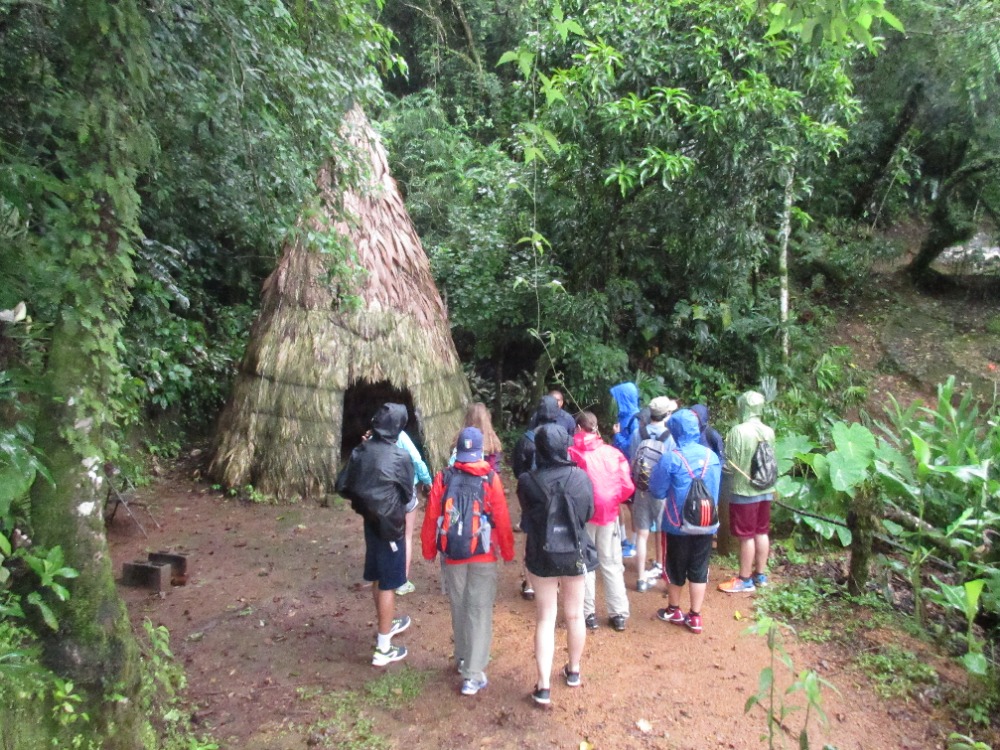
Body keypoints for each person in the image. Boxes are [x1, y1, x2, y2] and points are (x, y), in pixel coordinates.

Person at [422, 427, 515, 696]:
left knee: (459, 606)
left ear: (458, 450)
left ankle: (463, 657)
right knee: (479, 609)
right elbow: (502, 518)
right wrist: (507, 552)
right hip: (483, 554)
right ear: (480, 450)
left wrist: (429, 550)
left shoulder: (444, 477)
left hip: (453, 555)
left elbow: (431, 517)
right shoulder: (490, 478)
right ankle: (473, 675)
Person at [517, 424, 597, 707]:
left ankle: (543, 686)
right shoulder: (581, 477)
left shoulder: (527, 481)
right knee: (575, 615)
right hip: (574, 550)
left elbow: (528, 517)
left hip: (542, 553)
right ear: (565, 447)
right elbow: (588, 512)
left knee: (545, 617)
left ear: (538, 448)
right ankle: (573, 670)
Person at [336, 403, 415, 665]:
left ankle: (386, 623)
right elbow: (407, 494)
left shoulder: (361, 450)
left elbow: (344, 485)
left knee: (379, 578)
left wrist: (367, 503)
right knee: (389, 583)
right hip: (390, 528)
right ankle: (383, 648)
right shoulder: (400, 457)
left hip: (371, 523)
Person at [650, 408, 721, 634]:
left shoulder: (671, 458)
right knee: (699, 567)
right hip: (706, 522)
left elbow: (657, 491)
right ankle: (695, 616)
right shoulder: (712, 457)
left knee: (675, 566)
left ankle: (674, 609)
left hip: (677, 524)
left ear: (675, 431)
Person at [568, 411, 633, 631]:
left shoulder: (572, 453)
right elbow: (627, 487)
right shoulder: (612, 453)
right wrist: (612, 501)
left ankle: (588, 613)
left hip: (583, 515)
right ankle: (618, 613)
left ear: (578, 428)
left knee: (585, 562)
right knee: (611, 562)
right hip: (608, 514)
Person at [718, 391, 776, 593]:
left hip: (744, 491)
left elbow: (730, 466)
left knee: (746, 536)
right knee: (761, 532)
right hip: (766, 489)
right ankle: (760, 575)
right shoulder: (769, 431)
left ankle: (744, 579)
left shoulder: (738, 431)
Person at [512, 395, 561, 600]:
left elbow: (517, 468)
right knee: (555, 536)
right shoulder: (561, 435)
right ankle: (554, 581)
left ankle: (530, 584)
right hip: (556, 493)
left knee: (530, 537)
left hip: (532, 493)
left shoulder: (527, 438)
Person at [628, 396, 677, 592]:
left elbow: (633, 461)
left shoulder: (637, 433)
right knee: (663, 533)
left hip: (641, 490)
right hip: (662, 492)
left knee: (642, 534)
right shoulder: (670, 436)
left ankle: (640, 579)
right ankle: (663, 571)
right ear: (666, 414)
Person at [395, 429, 432, 596]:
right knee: (406, 536)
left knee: (386, 535)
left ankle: (384, 577)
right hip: (406, 490)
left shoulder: (374, 437)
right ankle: (401, 582)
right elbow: (416, 459)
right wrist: (427, 480)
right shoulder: (401, 436)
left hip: (382, 494)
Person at [609, 382, 640, 559]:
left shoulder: (635, 420)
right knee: (618, 503)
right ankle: (623, 539)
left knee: (632, 507)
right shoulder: (623, 416)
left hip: (631, 470)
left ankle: (634, 543)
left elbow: (631, 447)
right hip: (619, 468)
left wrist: (617, 435)